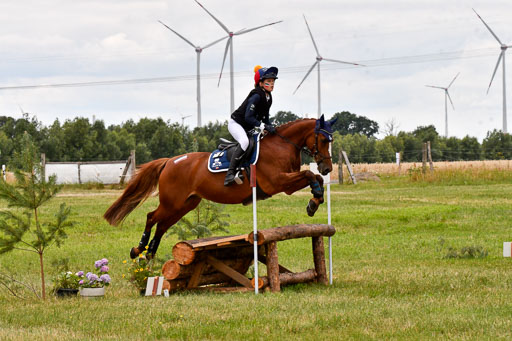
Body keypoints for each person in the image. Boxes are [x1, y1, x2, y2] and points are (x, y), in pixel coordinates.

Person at [224, 65, 278, 186]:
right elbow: (248, 117)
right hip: (236, 124)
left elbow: (265, 117)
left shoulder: (268, 97)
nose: (272, 84)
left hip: (248, 126)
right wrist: (263, 126)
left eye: (273, 81)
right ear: (260, 83)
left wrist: (271, 128)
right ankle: (230, 174)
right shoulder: (257, 95)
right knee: (244, 142)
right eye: (268, 81)